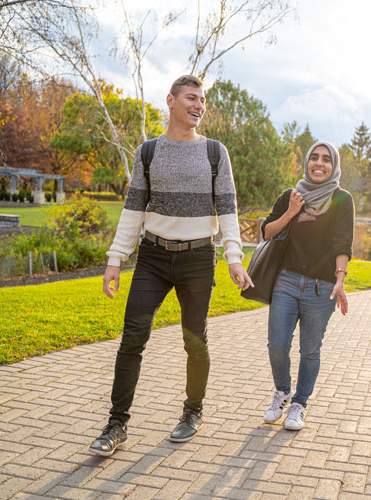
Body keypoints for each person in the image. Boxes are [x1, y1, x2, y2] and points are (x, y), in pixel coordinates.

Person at [89, 75, 253, 456]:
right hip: (153, 257)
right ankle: (116, 424)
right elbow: (133, 209)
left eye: (203, 101)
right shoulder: (147, 152)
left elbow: (227, 208)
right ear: (171, 101)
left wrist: (233, 257)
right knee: (132, 338)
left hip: (198, 258)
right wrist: (116, 258)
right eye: (192, 98)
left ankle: (192, 412)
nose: (199, 106)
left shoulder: (215, 152)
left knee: (194, 340)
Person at [261, 141, 354, 431]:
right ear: (306, 162)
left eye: (326, 159)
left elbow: (343, 242)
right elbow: (266, 232)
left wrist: (340, 278)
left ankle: (299, 404)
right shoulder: (291, 196)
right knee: (277, 345)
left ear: (333, 166)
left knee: (310, 350)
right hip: (286, 281)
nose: (319, 163)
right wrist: (290, 211)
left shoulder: (342, 199)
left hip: (321, 287)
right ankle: (282, 392)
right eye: (314, 157)